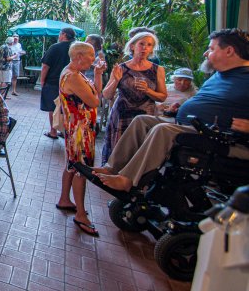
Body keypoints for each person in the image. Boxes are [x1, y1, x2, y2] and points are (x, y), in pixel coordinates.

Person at [91, 28, 249, 192]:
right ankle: (112, 167)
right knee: (142, 120)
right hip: (191, 125)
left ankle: (128, 179)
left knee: (163, 129)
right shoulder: (220, 75)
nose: (205, 53)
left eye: (211, 48)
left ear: (229, 51)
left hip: (217, 136)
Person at [56, 42, 106, 237]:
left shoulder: (75, 73)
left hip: (78, 127)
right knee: (81, 170)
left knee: (72, 165)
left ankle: (64, 199)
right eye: (90, 56)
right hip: (80, 130)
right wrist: (95, 89)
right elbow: (95, 101)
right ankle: (80, 214)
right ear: (78, 56)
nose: (93, 60)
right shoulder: (73, 77)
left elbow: (95, 92)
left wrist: (99, 75)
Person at [101, 31, 167, 162]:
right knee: (118, 154)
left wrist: (148, 90)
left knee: (139, 154)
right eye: (141, 44)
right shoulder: (121, 68)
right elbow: (107, 95)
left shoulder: (157, 69)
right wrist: (115, 80)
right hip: (122, 115)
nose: (145, 48)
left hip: (145, 116)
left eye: (149, 45)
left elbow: (162, 96)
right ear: (132, 46)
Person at [39, 27, 76, 139]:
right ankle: (65, 131)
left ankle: (53, 131)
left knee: (53, 107)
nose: (59, 36)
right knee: (66, 107)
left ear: (64, 34)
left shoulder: (55, 48)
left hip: (53, 81)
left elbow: (45, 66)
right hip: (71, 82)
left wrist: (42, 80)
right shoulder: (75, 48)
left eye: (60, 34)